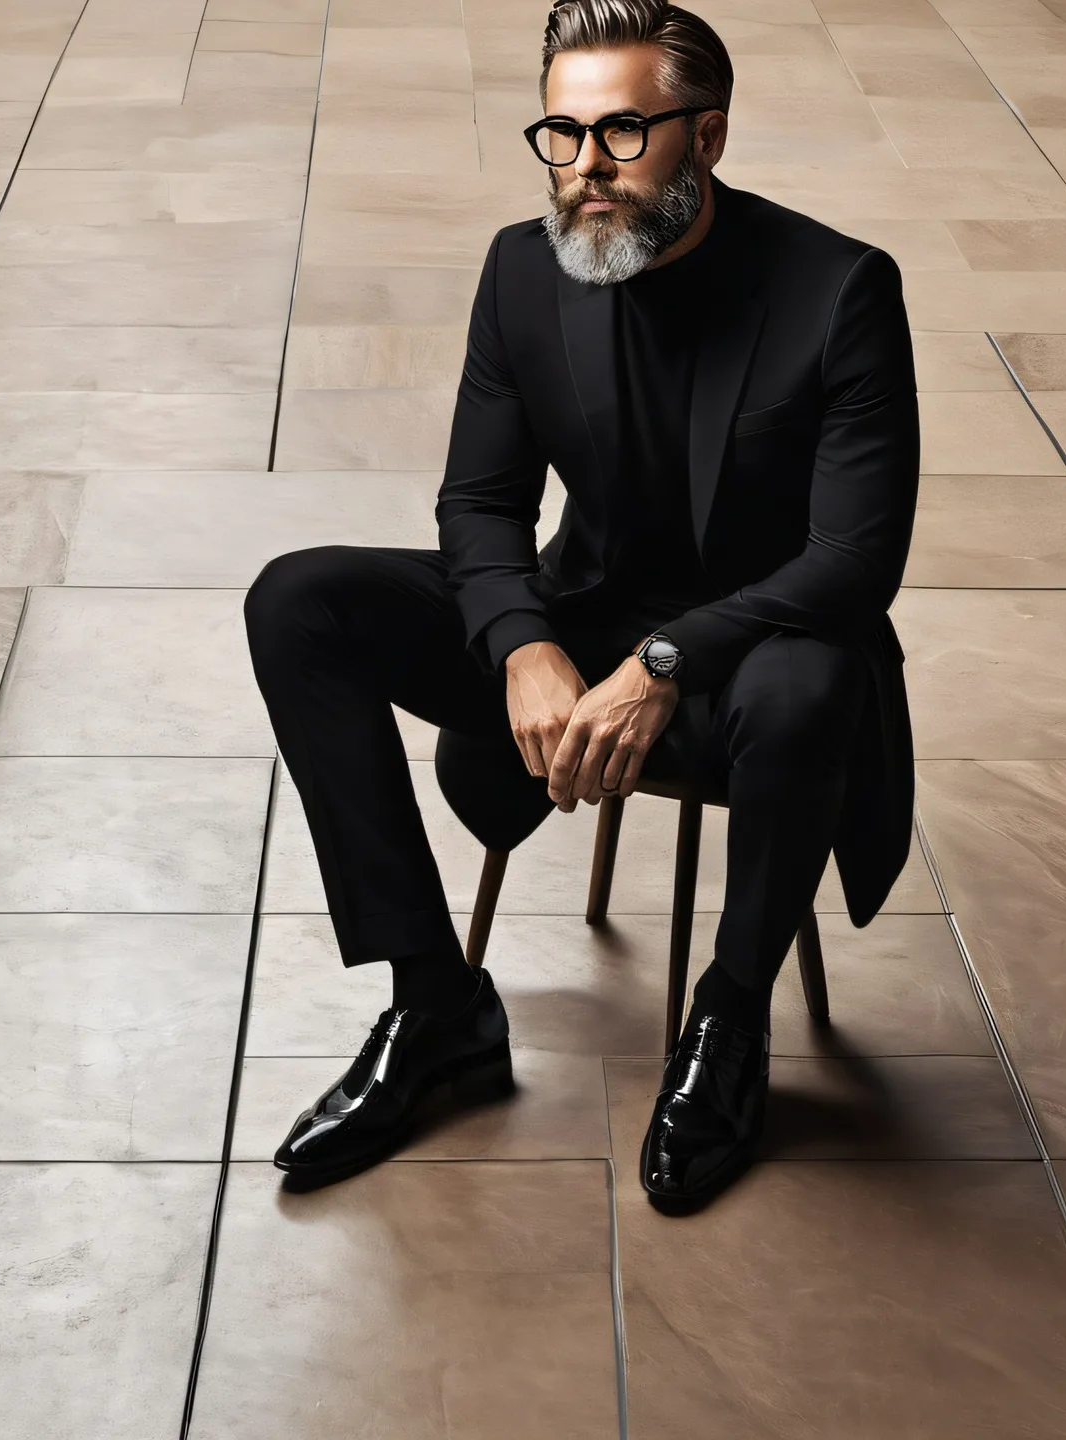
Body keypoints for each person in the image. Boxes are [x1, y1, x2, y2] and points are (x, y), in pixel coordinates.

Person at [243, 0, 918, 1210]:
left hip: (750, 662)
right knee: (303, 600)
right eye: (561, 133)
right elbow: (481, 502)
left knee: (819, 671)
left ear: (704, 137)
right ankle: (435, 1002)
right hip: (579, 618)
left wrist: (664, 661)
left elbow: (852, 564)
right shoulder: (523, 266)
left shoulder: (839, 290)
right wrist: (520, 646)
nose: (586, 170)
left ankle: (728, 1022)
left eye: (622, 133)